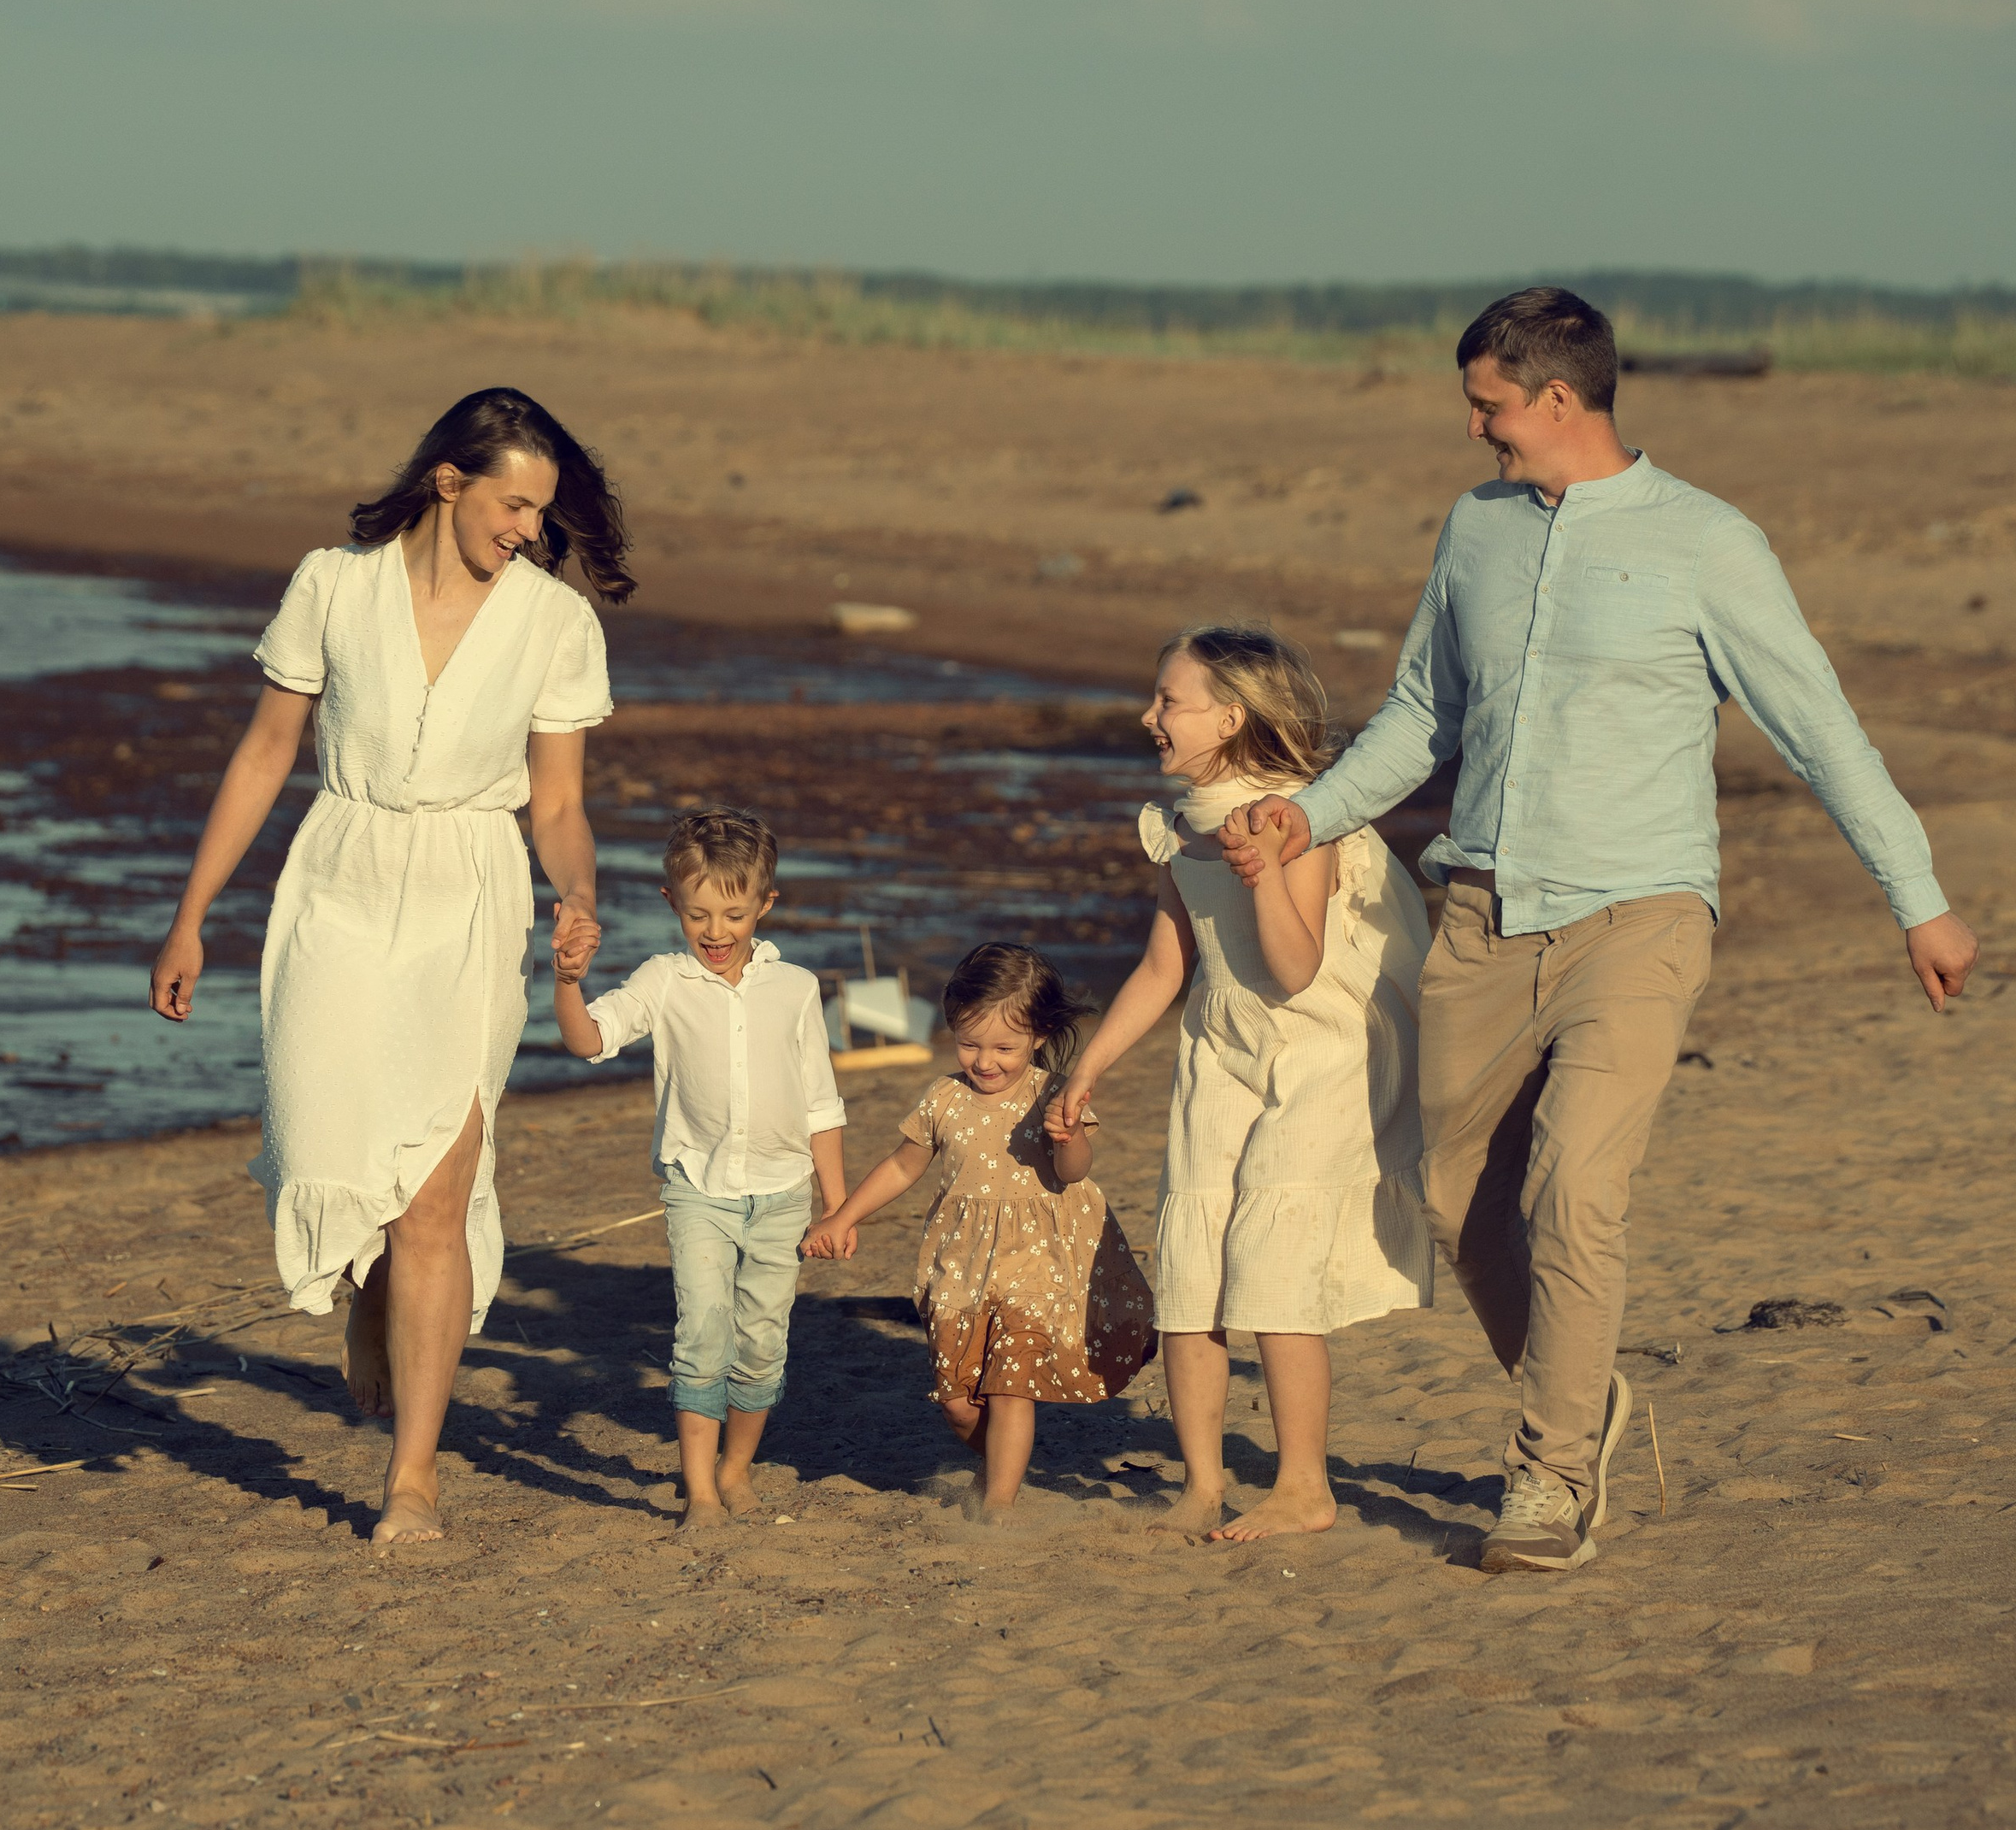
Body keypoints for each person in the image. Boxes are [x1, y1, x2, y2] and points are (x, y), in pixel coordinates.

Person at [1223, 285, 1982, 1574]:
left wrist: (1919, 897)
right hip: (1483, 913)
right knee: (1457, 1198)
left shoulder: (1708, 543)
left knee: (1577, 1188)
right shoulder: (1476, 530)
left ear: (1557, 398)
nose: (1475, 431)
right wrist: (1314, 817)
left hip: (1642, 917)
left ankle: (1552, 1475)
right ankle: (1584, 1401)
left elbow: (1817, 728)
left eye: (1488, 406)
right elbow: (1422, 713)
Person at [149, 386, 632, 1545]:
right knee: (323, 1143)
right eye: (512, 501)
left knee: (436, 1192)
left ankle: (412, 1478)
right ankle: (363, 1289)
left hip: (470, 893)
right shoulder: (334, 584)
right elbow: (268, 751)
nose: (527, 527)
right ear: (448, 480)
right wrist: (191, 914)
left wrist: (580, 892)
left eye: (542, 510)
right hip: (340, 882)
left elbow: (558, 801)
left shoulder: (555, 625)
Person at [1052, 626, 1431, 1542]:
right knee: (1191, 1264)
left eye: (1167, 702)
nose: (1149, 717)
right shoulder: (1183, 827)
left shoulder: (1300, 814)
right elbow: (1160, 967)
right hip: (1218, 1049)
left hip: (1315, 1052)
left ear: (1228, 716)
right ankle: (1202, 1482)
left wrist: (1262, 870)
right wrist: (1084, 1069)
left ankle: (1304, 1485)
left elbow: (1297, 969)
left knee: (1270, 1265)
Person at [554, 807, 846, 1529]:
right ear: (671, 906)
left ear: (765, 906)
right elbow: (589, 1039)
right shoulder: (663, 980)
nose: (716, 933)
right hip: (698, 1192)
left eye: (734, 914)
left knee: (761, 1343)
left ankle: (736, 1468)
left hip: (783, 1196)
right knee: (703, 1333)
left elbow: (821, 1104)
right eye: (698, 915)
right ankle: (702, 1492)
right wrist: (565, 980)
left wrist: (837, 1206)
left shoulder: (796, 988)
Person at [805, 944, 1154, 1522]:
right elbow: (902, 1166)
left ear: (1039, 1035)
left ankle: (998, 1505)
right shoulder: (944, 1098)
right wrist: (843, 1216)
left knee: (1012, 1385)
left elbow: (1074, 1174)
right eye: (970, 1044)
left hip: (1037, 1266)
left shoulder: (1053, 1093)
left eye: (1003, 1048)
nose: (984, 1061)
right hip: (962, 1267)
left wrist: (1070, 1138)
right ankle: (998, 1466)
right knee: (960, 1405)